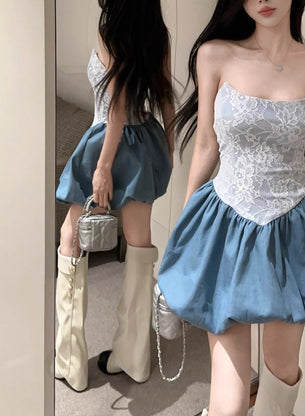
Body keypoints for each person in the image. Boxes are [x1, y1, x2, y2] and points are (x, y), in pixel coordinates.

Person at [157, 0, 305, 415]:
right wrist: (184, 232)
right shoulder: (215, 55)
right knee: (230, 403)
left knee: (282, 371)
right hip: (226, 226)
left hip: (294, 227)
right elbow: (206, 144)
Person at [55, 0, 174, 392]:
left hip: (105, 144)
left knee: (70, 238)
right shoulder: (157, 35)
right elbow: (166, 97)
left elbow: (116, 108)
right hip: (145, 144)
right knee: (139, 244)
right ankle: (134, 357)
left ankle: (70, 361)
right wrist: (169, 147)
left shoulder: (109, 32)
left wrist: (103, 166)